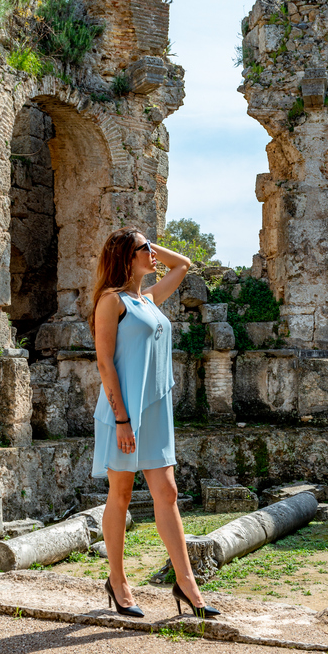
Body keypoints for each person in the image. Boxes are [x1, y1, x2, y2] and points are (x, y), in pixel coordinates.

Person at [90, 226, 219, 620]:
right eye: (143, 250)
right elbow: (104, 362)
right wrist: (122, 418)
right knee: (122, 494)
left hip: (156, 410)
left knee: (167, 492)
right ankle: (118, 581)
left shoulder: (146, 298)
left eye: (149, 247)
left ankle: (186, 583)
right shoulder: (112, 302)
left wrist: (146, 241)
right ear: (126, 258)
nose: (152, 254)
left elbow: (184, 264)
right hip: (123, 411)